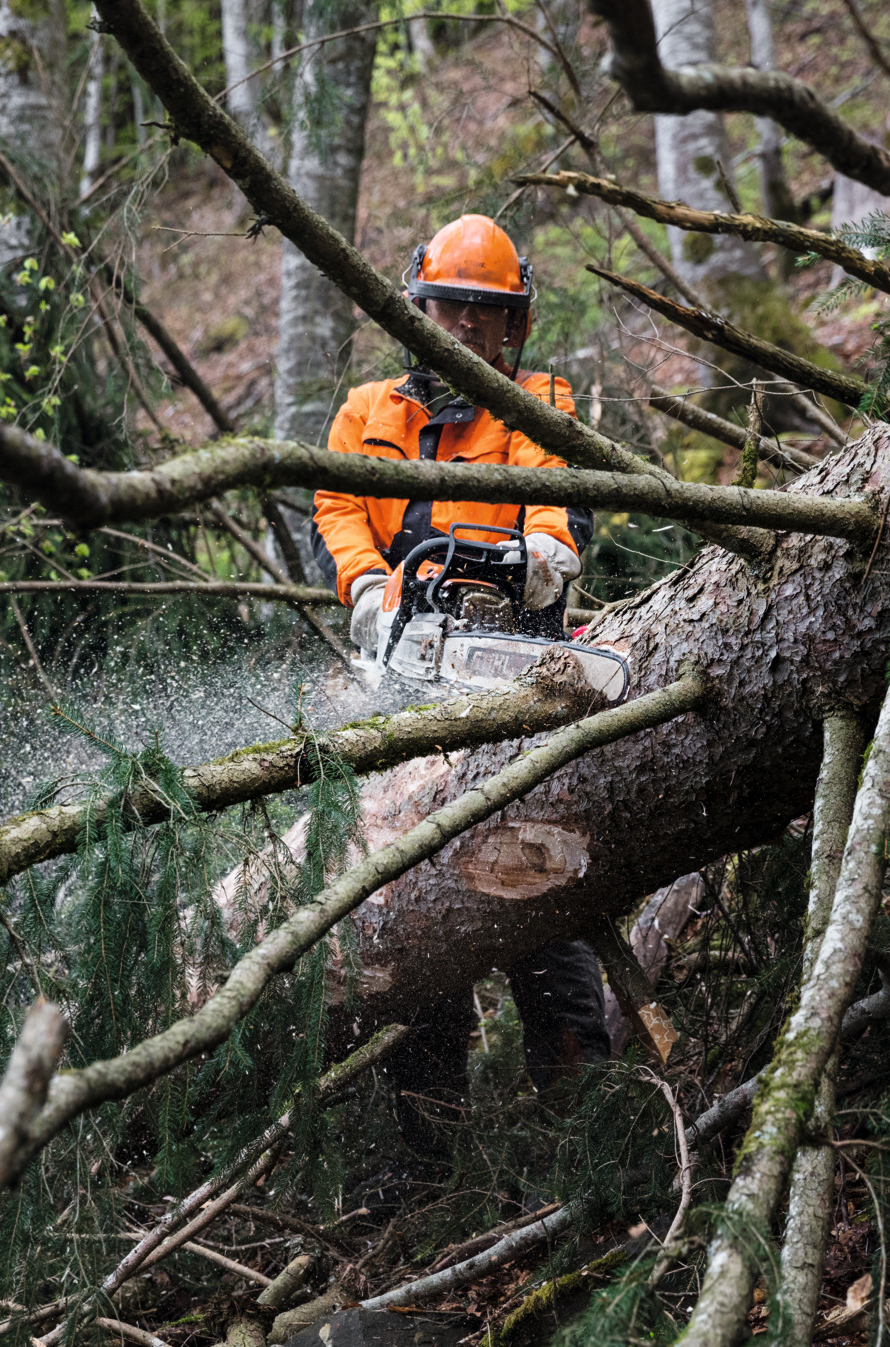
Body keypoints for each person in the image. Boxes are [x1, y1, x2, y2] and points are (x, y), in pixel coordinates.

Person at [306, 214, 610, 1155]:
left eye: (486, 313)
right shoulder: (367, 412)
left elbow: (555, 486)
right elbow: (336, 498)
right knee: (406, 896)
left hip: (505, 670)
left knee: (532, 877)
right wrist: (362, 584)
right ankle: (432, 1140)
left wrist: (546, 550)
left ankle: (584, 1119)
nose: (467, 328)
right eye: (451, 308)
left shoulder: (537, 402)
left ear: (512, 322)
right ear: (419, 307)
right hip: (398, 666)